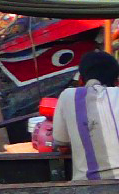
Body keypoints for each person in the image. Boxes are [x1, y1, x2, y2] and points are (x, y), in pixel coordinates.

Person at [51, 52, 119, 182]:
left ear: (81, 80)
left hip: (87, 186)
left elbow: (62, 144)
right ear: (116, 81)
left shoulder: (68, 96)